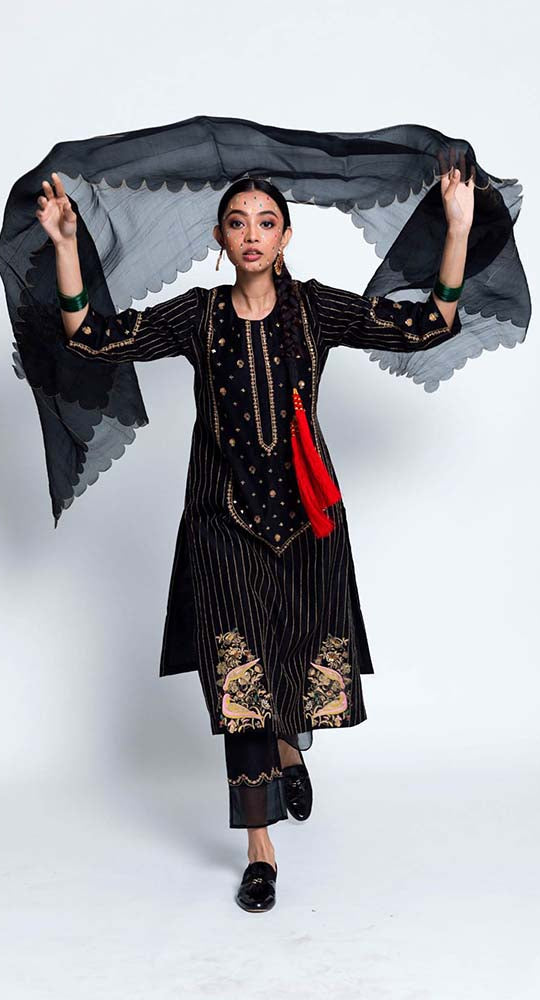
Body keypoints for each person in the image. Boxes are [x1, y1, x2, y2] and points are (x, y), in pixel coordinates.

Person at [31, 168, 474, 912]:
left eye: (267, 221)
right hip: (222, 523)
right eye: (237, 222)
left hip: (308, 524)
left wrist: (456, 227)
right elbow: (93, 338)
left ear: (286, 236)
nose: (252, 234)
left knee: (294, 658)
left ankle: (291, 743)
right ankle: (260, 849)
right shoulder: (198, 317)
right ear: (219, 238)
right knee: (240, 683)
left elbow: (427, 324)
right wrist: (68, 246)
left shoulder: (315, 309)